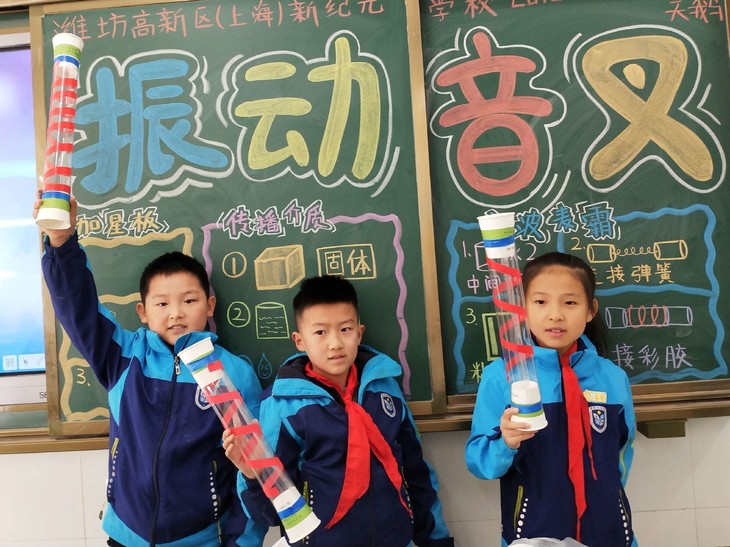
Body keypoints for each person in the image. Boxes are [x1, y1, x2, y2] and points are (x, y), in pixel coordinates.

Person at [34, 194, 266, 547]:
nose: (176, 313)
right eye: (162, 303)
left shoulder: (232, 374)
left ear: (209, 306)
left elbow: (252, 469)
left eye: (189, 300)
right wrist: (61, 241)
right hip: (126, 535)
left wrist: (241, 543)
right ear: (143, 312)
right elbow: (79, 311)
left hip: (202, 540)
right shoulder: (124, 357)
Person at [223, 275, 454, 547]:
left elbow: (416, 473)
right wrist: (252, 475)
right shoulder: (283, 405)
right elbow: (272, 513)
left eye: (345, 329)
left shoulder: (384, 388)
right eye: (320, 332)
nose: (335, 343)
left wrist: (436, 541)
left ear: (359, 332)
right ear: (299, 341)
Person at [465, 251, 637, 547]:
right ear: (522, 308)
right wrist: (506, 443)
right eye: (541, 302)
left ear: (590, 310)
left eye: (570, 303)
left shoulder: (612, 378)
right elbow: (480, 464)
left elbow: (622, 454)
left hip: (607, 531)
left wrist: (608, 502)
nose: (555, 314)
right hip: (534, 533)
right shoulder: (502, 376)